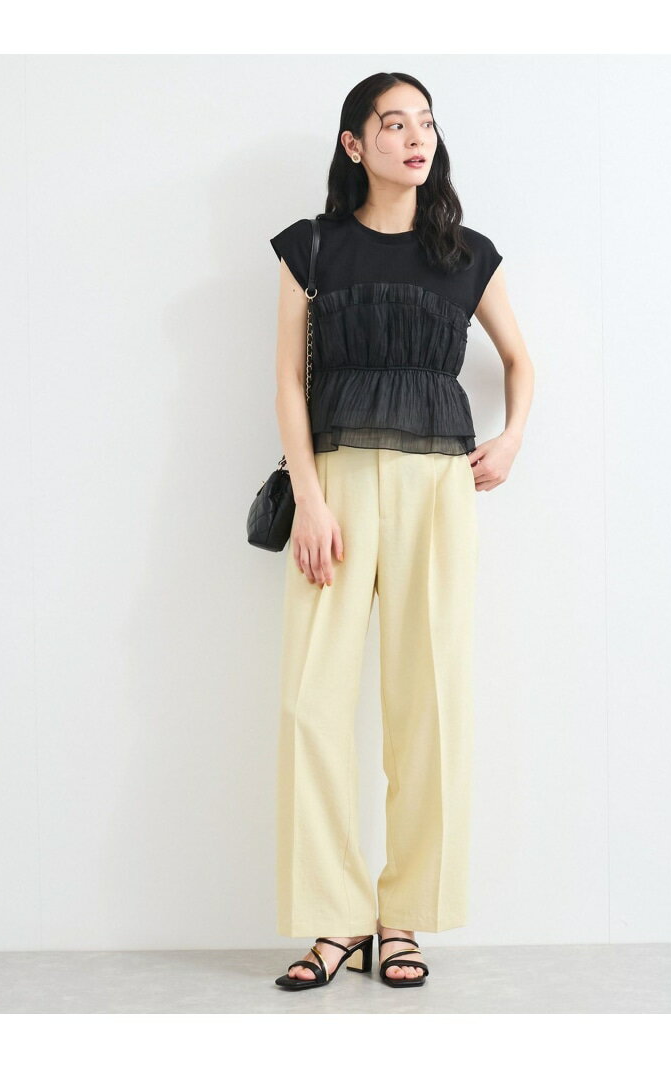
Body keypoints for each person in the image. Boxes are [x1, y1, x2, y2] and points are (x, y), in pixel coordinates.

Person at [269, 72, 534, 991]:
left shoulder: (466, 254)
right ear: (354, 144)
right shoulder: (312, 247)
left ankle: (404, 917)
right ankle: (333, 918)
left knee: (429, 699)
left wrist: (512, 437)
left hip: (436, 486)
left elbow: (519, 359)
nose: (415, 138)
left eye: (425, 122)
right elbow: (287, 382)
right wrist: (309, 497)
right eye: (393, 123)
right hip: (336, 485)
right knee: (310, 703)